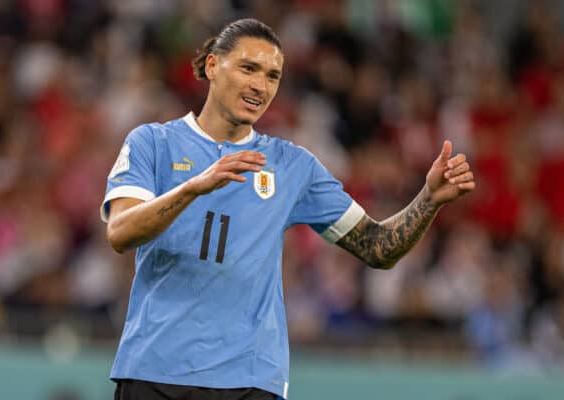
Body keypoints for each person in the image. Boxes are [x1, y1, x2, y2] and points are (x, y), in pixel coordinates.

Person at [101, 18, 475, 400]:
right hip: (154, 370)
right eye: (248, 68)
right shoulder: (152, 142)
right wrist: (194, 187)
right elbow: (120, 233)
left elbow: (376, 247)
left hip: (249, 380)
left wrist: (428, 200)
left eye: (272, 76)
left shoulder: (292, 165)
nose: (259, 86)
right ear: (212, 66)